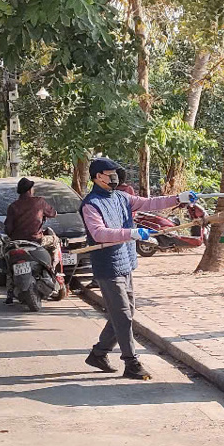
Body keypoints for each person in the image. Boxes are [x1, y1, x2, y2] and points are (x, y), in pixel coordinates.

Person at [80, 158, 197, 380]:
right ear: (98, 177)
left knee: (125, 312)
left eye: (116, 173)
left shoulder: (123, 197)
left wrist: (178, 199)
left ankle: (99, 353)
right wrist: (130, 233)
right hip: (107, 265)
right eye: (109, 173)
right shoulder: (91, 204)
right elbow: (98, 233)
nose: (114, 177)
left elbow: (150, 203)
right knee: (123, 314)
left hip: (125, 261)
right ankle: (131, 362)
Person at [3, 177, 60, 302]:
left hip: (16, 243)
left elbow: (8, 227)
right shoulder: (39, 202)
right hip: (36, 241)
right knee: (55, 241)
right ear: (30, 190)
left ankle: (9, 291)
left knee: (8, 263)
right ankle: (53, 270)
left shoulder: (13, 206)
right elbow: (53, 213)